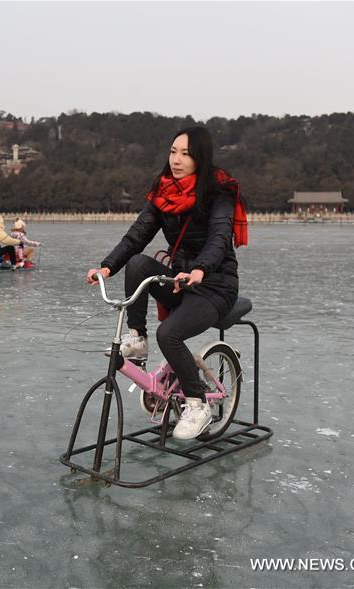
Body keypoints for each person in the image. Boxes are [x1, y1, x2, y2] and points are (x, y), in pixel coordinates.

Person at [85, 126, 248, 440]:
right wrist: (106, 268)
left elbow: (218, 237)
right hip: (181, 282)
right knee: (137, 263)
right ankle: (138, 338)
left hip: (215, 286)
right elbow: (136, 236)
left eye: (186, 154)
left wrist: (201, 269)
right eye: (173, 151)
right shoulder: (164, 193)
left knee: (169, 333)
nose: (176, 159)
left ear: (200, 157)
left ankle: (198, 404)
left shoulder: (219, 192)